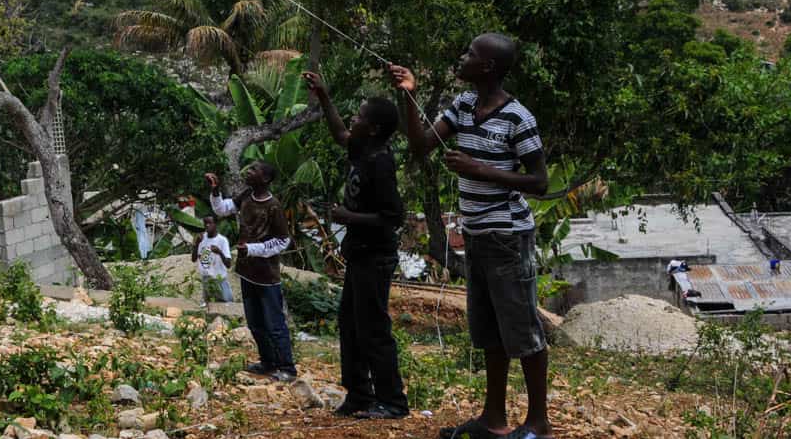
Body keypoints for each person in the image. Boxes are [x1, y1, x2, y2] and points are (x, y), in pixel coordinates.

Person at [390, 32, 552, 439]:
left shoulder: (519, 117)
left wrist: (480, 170)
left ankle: (538, 424)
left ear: (488, 68)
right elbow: (421, 144)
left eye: (470, 54)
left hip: (507, 236)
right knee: (490, 331)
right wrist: (409, 95)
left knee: (522, 330)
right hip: (477, 235)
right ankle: (493, 420)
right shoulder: (463, 106)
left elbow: (539, 182)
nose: (461, 58)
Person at [303, 71, 409, 420]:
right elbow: (339, 133)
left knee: (373, 328)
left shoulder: (381, 161)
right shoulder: (364, 148)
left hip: (376, 256)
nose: (354, 119)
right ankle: (359, 394)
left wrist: (349, 217)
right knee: (350, 324)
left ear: (374, 128)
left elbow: (393, 215)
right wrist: (324, 96)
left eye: (361, 116)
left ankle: (392, 400)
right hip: (360, 253)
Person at [206, 163, 297, 382]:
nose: (249, 171)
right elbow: (222, 209)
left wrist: (254, 249)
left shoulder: (273, 206)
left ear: (265, 179)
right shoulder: (247, 195)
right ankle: (268, 362)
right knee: (255, 322)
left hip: (267, 276)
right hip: (247, 272)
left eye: (254, 170)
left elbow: (283, 241)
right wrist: (216, 190)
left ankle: (287, 367)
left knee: (274, 323)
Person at [191, 214, 233, 305]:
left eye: (210, 223)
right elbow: (194, 259)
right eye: (205, 223)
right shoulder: (201, 239)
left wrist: (220, 252)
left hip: (220, 279)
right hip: (206, 279)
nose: (207, 225)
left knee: (227, 305)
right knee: (208, 306)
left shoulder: (222, 240)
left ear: (215, 224)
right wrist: (197, 244)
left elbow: (229, 264)